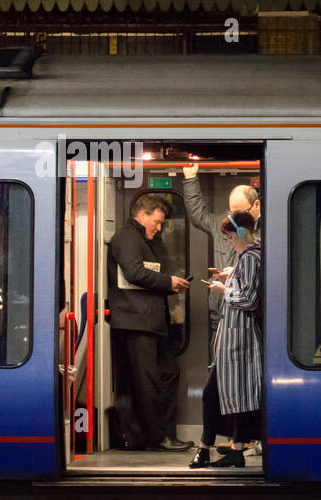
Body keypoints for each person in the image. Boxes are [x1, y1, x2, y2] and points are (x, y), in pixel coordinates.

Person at [108, 194, 193, 452]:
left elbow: (149, 273)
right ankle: (157, 438)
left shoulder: (146, 239)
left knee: (168, 373)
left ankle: (164, 434)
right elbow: (135, 272)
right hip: (136, 322)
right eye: (156, 222)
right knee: (149, 382)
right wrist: (168, 282)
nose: (158, 228)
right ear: (141, 215)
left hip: (150, 321)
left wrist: (171, 284)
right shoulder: (126, 237)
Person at [191, 212, 263, 469]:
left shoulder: (251, 258)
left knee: (224, 395)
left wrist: (224, 291)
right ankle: (224, 449)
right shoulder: (248, 258)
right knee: (226, 395)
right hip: (232, 342)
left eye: (230, 236)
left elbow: (248, 299)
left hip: (239, 342)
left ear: (242, 232)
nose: (229, 241)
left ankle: (215, 450)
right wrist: (229, 278)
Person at [182, 163, 262, 330]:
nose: (235, 219)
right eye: (232, 213)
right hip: (221, 312)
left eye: (241, 213)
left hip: (252, 315)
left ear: (256, 205)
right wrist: (190, 179)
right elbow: (198, 216)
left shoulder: (269, 231)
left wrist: (234, 274)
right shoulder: (223, 222)